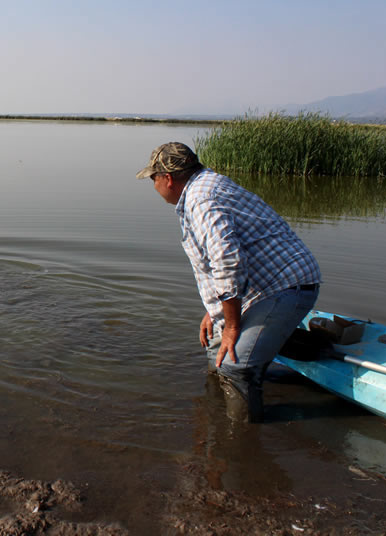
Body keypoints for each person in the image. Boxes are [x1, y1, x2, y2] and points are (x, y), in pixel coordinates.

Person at [136, 142, 321, 422]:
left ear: (168, 178)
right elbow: (219, 263)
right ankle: (217, 412)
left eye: (153, 178)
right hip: (261, 286)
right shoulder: (204, 186)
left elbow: (227, 261)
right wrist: (216, 312)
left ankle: (241, 438)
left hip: (286, 286)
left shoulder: (202, 200)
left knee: (236, 366)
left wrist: (233, 325)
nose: (154, 186)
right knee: (215, 345)